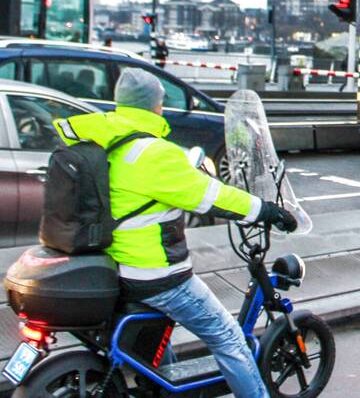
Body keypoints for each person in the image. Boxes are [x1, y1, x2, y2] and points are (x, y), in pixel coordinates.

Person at [54, 68, 296, 398]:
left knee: (160, 332)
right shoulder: (153, 153)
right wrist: (266, 210)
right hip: (154, 274)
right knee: (227, 337)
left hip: (113, 265)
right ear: (155, 106)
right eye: (161, 102)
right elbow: (212, 196)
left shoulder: (103, 139)